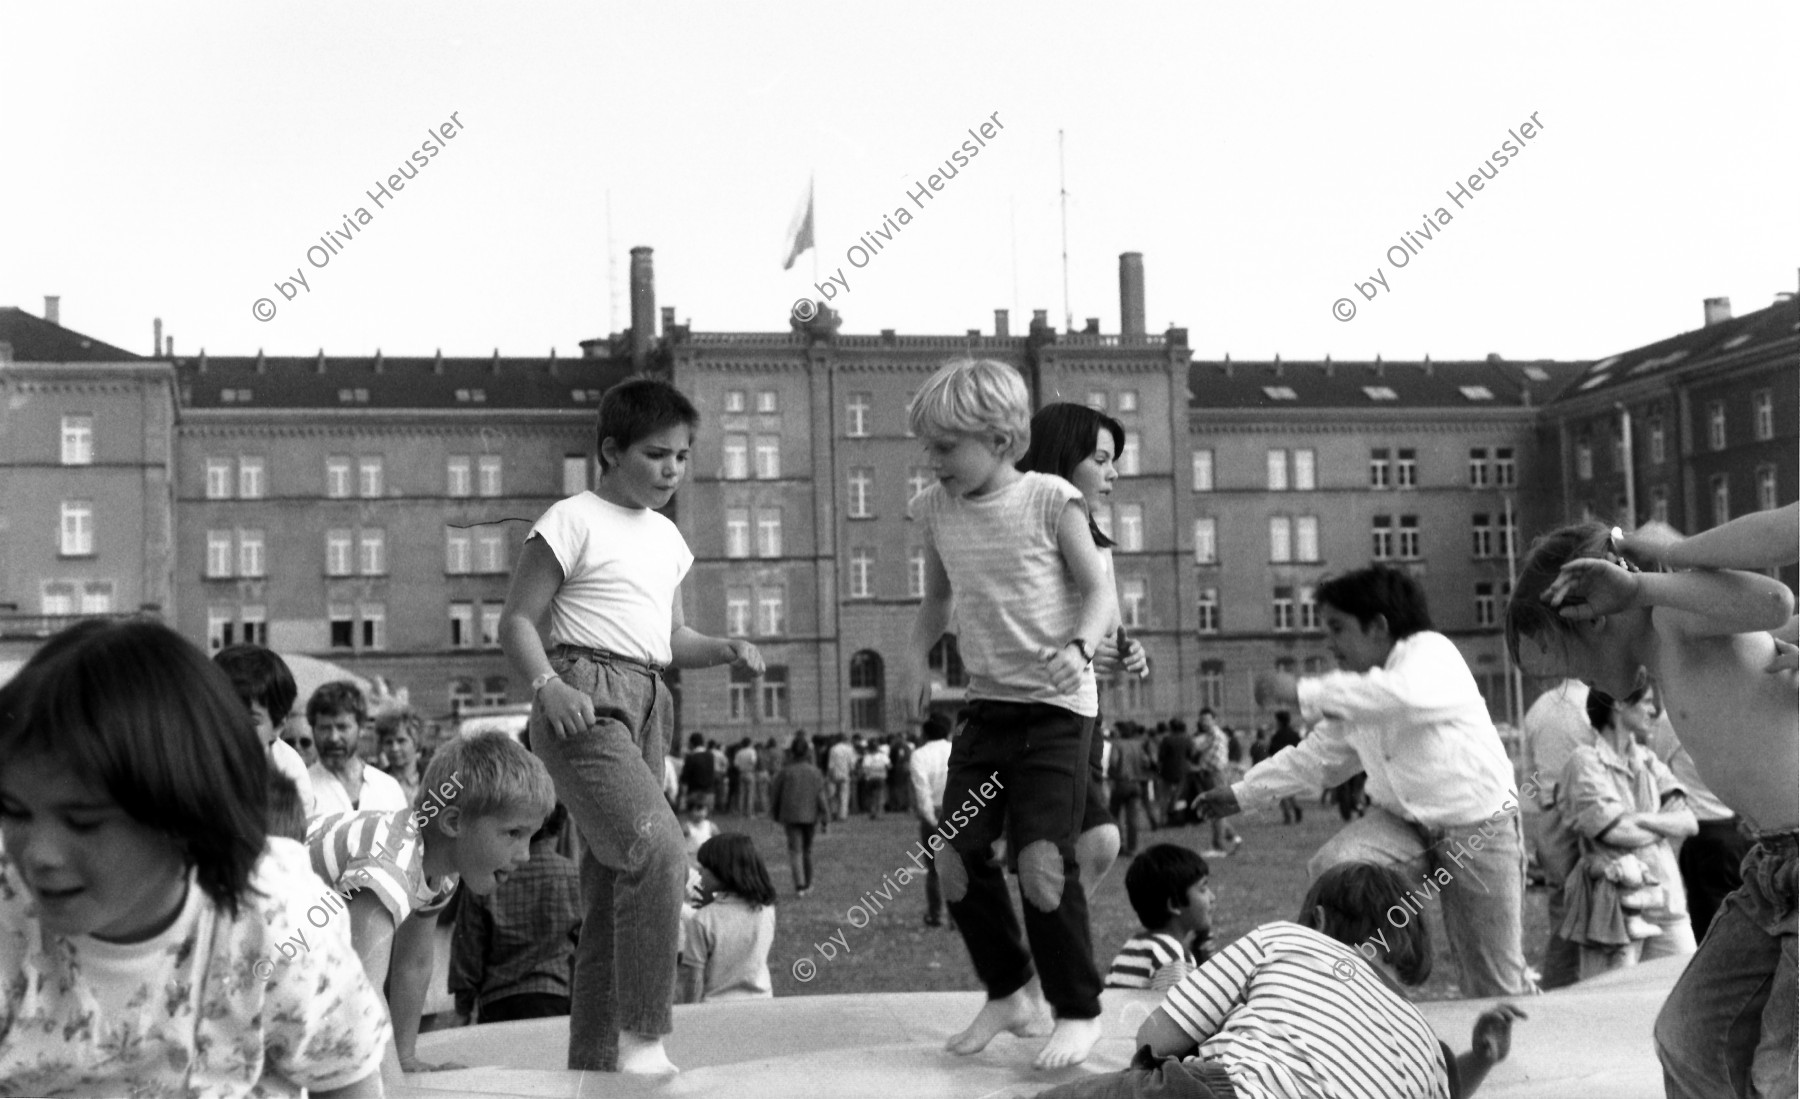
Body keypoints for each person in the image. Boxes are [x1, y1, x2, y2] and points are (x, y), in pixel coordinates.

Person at [0, 619, 388, 1098]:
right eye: (13, 810)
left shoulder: (275, 917)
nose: (37, 854)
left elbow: (347, 1078)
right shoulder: (8, 916)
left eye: (83, 821)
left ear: (185, 815)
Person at [499, 376, 764, 1075]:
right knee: (661, 851)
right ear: (610, 451)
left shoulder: (670, 539)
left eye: (682, 456)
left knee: (615, 886)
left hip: (650, 698)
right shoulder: (571, 518)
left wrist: (726, 649)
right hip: (583, 694)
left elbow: (670, 638)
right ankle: (644, 1033)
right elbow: (518, 620)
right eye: (656, 455)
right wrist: (548, 685)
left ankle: (595, 1060)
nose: (672, 469)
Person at [1507, 516, 1796, 1096]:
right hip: (1773, 868)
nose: (1581, 684)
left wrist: (1643, 585)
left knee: (1781, 1070)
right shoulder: (1670, 649)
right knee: (1687, 1036)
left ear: (1593, 614)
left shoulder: (1673, 618)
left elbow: (1772, 600)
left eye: (1569, 664)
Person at [902, 358, 1119, 1069]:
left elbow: (1098, 592)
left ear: (1000, 440)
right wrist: (915, 662)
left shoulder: (1052, 500)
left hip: (1057, 709)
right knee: (955, 856)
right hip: (988, 705)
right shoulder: (935, 507)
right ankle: (1011, 990)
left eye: (944, 448)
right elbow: (936, 601)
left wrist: (1081, 645)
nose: (932, 463)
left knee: (1041, 859)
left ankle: (1078, 1008)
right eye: (928, 448)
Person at [1203, 565, 1534, 997]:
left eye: (1338, 628)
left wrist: (1302, 692)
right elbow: (1319, 757)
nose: (1330, 643)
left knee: (1495, 983)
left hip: (1479, 830)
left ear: (1378, 627)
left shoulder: (1431, 654)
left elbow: (1403, 697)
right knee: (1334, 871)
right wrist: (1243, 793)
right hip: (1400, 827)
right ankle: (1355, 996)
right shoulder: (1359, 690)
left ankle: (1510, 1037)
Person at [1038, 862, 1527, 1099]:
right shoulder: (1425, 1047)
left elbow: (1157, 1037)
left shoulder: (1288, 940)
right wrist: (1480, 1059)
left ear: (1316, 919)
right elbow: (1444, 1090)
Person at [308, 730, 551, 1083]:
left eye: (531, 837)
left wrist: (404, 1058)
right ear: (453, 823)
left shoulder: (441, 870)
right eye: (513, 833)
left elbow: (413, 964)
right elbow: (361, 987)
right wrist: (393, 1084)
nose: (525, 855)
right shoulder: (389, 862)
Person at [1016, 401, 1150, 896]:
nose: (1113, 473)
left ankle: (1048, 960)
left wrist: (1128, 653)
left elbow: (1110, 634)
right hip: (1038, 711)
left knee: (1093, 843)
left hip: (1084, 713)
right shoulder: (1025, 534)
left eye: (1114, 460)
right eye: (1100, 459)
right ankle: (1050, 962)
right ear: (1060, 457)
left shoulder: (1098, 545)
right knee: (1081, 844)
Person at [1557, 683, 1698, 978]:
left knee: (1684, 990)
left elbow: (1688, 822)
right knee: (1612, 1000)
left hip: (1667, 899)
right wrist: (1661, 824)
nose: (1653, 710)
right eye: (1646, 701)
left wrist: (1638, 819)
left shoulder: (1647, 759)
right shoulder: (1584, 762)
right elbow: (1615, 833)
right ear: (1619, 704)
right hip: (1615, 910)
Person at [449, 802, 583, 1024]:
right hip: (554, 998)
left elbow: (468, 948)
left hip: (496, 1003)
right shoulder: (574, 877)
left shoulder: (487, 877)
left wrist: (463, 1007)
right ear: (558, 828)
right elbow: (587, 946)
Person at [1519, 677, 1592, 990]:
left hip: (1550, 814)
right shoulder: (1593, 704)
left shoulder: (1536, 711)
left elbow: (1529, 776)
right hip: (1588, 813)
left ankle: (1560, 988)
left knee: (1563, 913)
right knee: (1601, 909)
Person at [214, 643, 316, 820]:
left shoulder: (290, 772)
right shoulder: (192, 760)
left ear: (277, 727)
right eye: (223, 714)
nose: (234, 728)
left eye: (251, 721)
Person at [678, 833, 777, 1003]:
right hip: (763, 1004)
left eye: (705, 868)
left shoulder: (703, 920)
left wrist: (689, 1015)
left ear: (723, 871)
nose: (700, 873)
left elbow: (694, 979)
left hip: (717, 1010)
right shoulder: (766, 910)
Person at [1105, 845, 1214, 990]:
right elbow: (1181, 1009)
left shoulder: (1137, 946)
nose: (1212, 897)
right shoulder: (1170, 955)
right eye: (1203, 889)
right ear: (1174, 905)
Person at [308, 681, 408, 817]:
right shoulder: (301, 790)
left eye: (342, 727)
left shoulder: (388, 789)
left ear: (361, 728)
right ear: (313, 730)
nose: (333, 737)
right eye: (325, 728)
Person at [770, 736, 832, 896]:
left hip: (790, 815)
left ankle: (800, 886)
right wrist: (825, 817)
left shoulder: (785, 772)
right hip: (810, 815)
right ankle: (808, 882)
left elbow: (775, 794)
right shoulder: (815, 772)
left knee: (795, 851)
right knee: (807, 850)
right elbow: (821, 796)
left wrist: (775, 814)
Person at [910, 712, 955, 926]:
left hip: (935, 811)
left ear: (926, 733)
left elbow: (922, 790)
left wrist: (930, 818)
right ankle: (957, 917)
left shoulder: (919, 755)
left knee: (934, 869)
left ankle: (936, 914)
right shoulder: (957, 750)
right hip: (959, 810)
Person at [1193, 709, 1242, 856]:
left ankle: (1219, 845)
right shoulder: (1211, 735)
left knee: (1217, 810)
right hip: (1213, 774)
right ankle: (1234, 838)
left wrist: (1198, 765)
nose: (1204, 722)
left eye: (1207, 719)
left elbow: (1199, 750)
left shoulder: (1214, 735)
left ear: (1214, 720)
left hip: (1215, 774)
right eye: (1202, 719)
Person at [1107, 723, 1154, 858]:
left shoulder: (1118, 744)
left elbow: (1114, 762)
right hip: (1137, 784)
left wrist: (1111, 775)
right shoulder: (1138, 745)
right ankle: (1133, 847)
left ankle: (1118, 846)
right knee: (1132, 818)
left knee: (1114, 816)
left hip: (1121, 783)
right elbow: (1146, 762)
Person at [377, 708, 427, 807]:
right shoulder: (376, 783)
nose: (394, 748)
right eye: (388, 742)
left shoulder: (434, 779)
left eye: (401, 741)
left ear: (416, 742)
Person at [1267, 710, 1303, 825]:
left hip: (1281, 767)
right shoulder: (1295, 734)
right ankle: (1296, 807)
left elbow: (1271, 751)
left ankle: (1288, 816)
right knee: (1289, 790)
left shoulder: (1277, 736)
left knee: (1281, 792)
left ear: (1279, 721)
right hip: (1293, 766)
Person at [1156, 718, 1194, 828]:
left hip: (1167, 771)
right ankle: (1177, 816)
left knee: (1164, 796)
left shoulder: (1167, 739)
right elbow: (1190, 754)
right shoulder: (1187, 739)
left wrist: (1159, 771)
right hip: (1182, 771)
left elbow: (1161, 757)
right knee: (1179, 795)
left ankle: (1163, 819)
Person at [679, 733, 717, 813]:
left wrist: (682, 796)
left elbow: (684, 778)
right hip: (709, 792)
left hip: (695, 793)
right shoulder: (710, 756)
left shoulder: (691, 757)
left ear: (692, 743)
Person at [681, 794, 719, 863]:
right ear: (689, 811)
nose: (700, 813)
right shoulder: (687, 827)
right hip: (691, 860)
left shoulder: (711, 826)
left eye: (702, 809)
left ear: (707, 811)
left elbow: (719, 842)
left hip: (707, 860)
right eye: (697, 810)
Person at [827, 734, 857, 821]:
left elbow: (830, 764)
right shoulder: (850, 749)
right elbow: (852, 763)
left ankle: (833, 813)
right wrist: (852, 772)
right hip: (845, 774)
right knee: (844, 795)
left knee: (833, 795)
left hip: (834, 774)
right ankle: (842, 815)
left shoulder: (833, 748)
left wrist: (830, 774)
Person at [860, 739, 890, 820]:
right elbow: (889, 766)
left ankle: (872, 812)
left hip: (870, 778)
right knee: (880, 796)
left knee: (871, 797)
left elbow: (865, 767)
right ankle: (879, 814)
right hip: (881, 778)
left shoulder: (867, 756)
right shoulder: (883, 756)